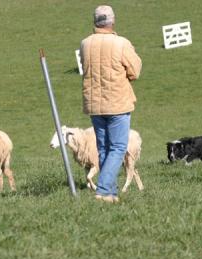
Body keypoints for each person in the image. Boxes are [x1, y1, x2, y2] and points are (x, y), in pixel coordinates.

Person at [80, 5, 142, 203]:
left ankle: (111, 194)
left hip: (95, 105)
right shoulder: (121, 43)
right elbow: (135, 70)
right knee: (118, 147)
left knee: (104, 148)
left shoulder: (85, 44)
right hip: (117, 103)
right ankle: (104, 189)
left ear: (95, 22)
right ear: (112, 21)